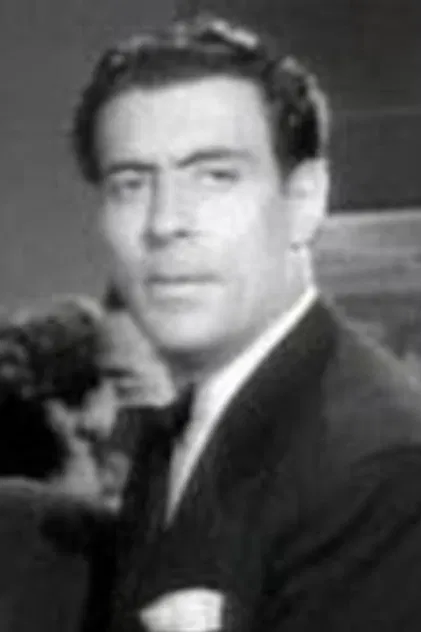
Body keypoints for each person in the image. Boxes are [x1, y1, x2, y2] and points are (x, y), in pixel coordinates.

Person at [72, 14, 421, 631]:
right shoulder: (177, 430)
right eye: (131, 184)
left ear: (304, 199)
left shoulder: (382, 464)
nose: (165, 222)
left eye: (215, 176)